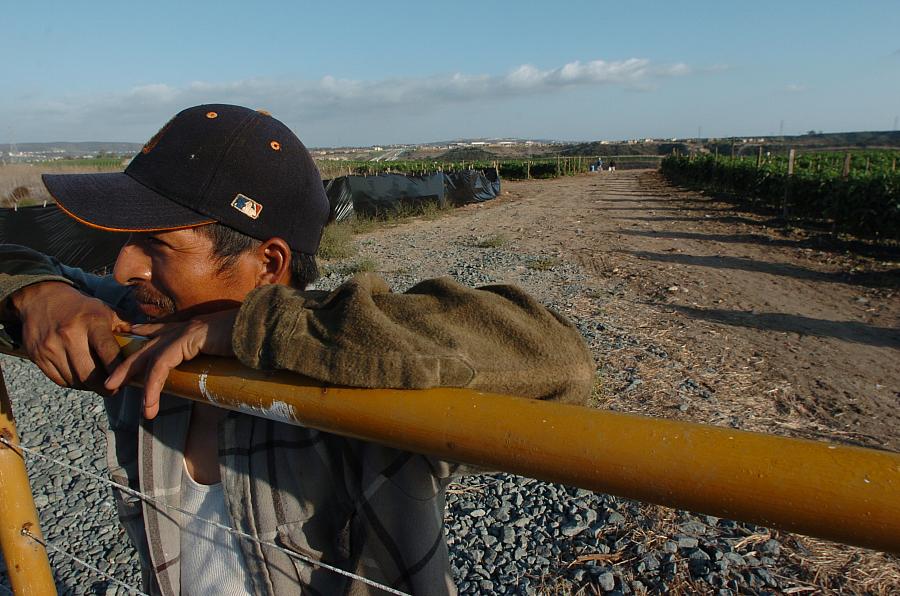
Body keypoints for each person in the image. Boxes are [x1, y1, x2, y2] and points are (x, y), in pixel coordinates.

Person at [0, 104, 594, 595]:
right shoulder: (139, 325)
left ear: (270, 263)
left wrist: (255, 329)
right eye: (127, 241)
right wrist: (36, 291)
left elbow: (559, 359)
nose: (125, 266)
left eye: (157, 245)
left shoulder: (361, 383)